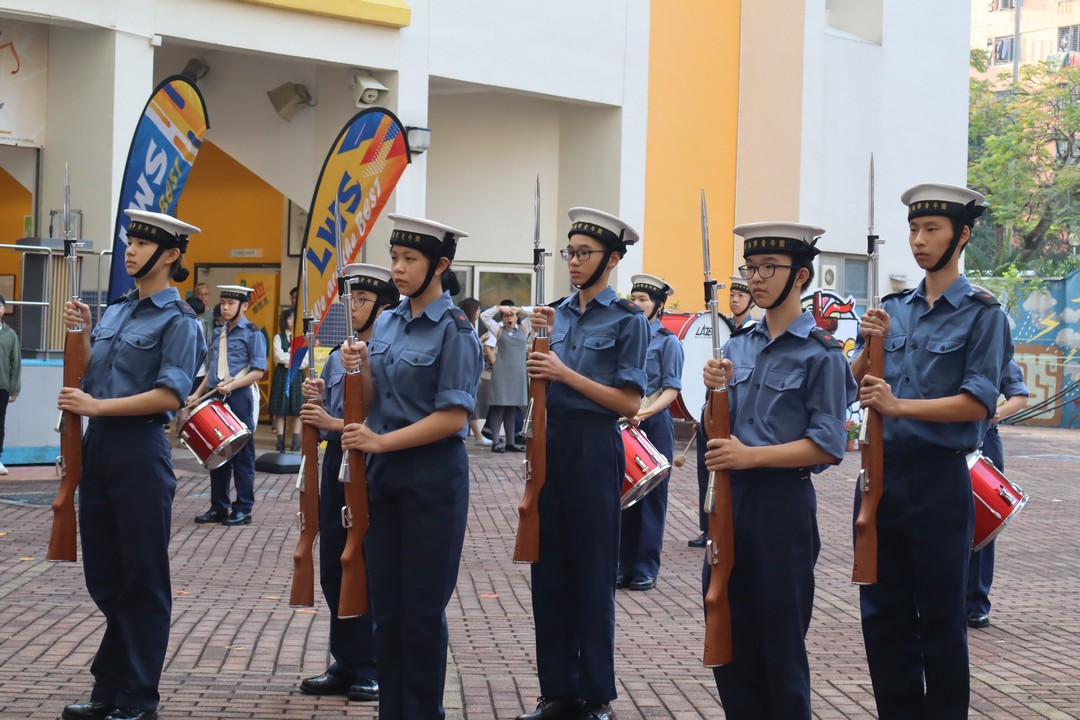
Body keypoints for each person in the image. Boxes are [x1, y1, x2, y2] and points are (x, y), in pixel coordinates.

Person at [851, 183, 1009, 719]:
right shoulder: (893, 309)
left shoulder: (984, 314)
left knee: (940, 618)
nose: (918, 240)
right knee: (882, 615)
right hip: (881, 476)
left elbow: (978, 402)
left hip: (939, 481)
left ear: (961, 236)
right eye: (914, 229)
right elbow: (851, 387)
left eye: (932, 229)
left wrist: (899, 406)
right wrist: (867, 347)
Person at [700, 222, 857, 719]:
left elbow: (827, 445)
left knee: (780, 644)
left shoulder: (821, 353)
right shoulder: (737, 347)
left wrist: (752, 457)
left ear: (801, 275)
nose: (756, 279)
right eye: (751, 268)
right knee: (727, 633)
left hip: (781, 507)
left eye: (769, 268)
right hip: (730, 502)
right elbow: (714, 431)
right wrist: (713, 394)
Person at [58, 209, 205, 720]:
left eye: (143, 244)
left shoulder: (179, 320)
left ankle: (136, 697)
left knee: (143, 578)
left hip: (140, 449)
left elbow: (169, 396)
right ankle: (113, 685)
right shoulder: (117, 311)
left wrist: (96, 408)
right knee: (105, 576)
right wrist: (83, 333)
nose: (131, 250)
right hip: (99, 447)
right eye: (130, 242)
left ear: (170, 255)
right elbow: (91, 375)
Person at [339, 214, 482, 720]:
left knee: (420, 614)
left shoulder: (456, 330)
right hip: (385, 475)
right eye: (394, 257)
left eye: (409, 259)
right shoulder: (389, 321)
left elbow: (453, 417)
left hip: (431, 477)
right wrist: (358, 367)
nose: (397, 268)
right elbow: (376, 398)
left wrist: (380, 442)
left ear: (439, 265)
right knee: (387, 612)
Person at [518, 207, 648, 720]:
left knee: (593, 575)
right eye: (569, 252)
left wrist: (564, 372)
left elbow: (629, 403)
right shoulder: (554, 314)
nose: (573, 261)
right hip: (550, 447)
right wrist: (536, 348)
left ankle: (595, 694)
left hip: (595, 449)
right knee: (548, 575)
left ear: (612, 259)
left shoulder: (628, 319)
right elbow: (537, 384)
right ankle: (557, 691)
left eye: (584, 253)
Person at [297, 262, 400, 704]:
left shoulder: (387, 354)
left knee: (366, 564)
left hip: (371, 459)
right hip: (337, 459)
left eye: (362, 300)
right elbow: (335, 414)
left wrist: (331, 421)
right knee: (334, 564)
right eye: (350, 299)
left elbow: (382, 419)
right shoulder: (340, 353)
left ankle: (372, 665)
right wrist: (317, 404)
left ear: (384, 306)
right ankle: (345, 659)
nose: (353, 307)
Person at [617, 274, 683, 592]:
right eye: (634, 298)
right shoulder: (626, 335)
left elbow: (671, 388)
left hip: (653, 423)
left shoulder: (669, 342)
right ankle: (623, 565)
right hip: (625, 421)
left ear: (658, 305)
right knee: (624, 494)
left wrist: (644, 412)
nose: (637, 304)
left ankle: (645, 567)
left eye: (644, 299)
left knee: (652, 497)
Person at [189, 285, 267, 527]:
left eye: (231, 304)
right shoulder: (219, 332)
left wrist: (232, 386)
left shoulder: (253, 333)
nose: (225, 307)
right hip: (215, 398)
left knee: (242, 454)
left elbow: (258, 371)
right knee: (217, 453)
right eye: (223, 303)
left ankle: (243, 508)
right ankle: (219, 507)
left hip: (239, 397)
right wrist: (197, 394)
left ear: (244, 306)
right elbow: (212, 368)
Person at [966, 356, 1028, 629]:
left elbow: (1019, 396)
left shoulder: (995, 348)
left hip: (983, 441)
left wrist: (997, 412)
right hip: (942, 442)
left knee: (983, 524)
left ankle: (976, 604)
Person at [688, 279, 745, 549]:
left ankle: (722, 523)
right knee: (705, 471)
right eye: (732, 295)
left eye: (740, 296)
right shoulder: (723, 328)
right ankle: (707, 526)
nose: (735, 300)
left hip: (733, 417)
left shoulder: (749, 334)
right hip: (712, 410)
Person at [480, 298, 532, 453]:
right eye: (506, 315)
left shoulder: (524, 327)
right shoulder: (498, 329)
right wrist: (498, 308)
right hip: (501, 373)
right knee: (499, 406)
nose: (509, 318)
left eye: (512, 315)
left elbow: (537, 311)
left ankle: (510, 442)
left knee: (511, 408)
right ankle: (496, 442)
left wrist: (520, 309)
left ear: (517, 317)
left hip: (518, 374)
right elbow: (484, 316)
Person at [268, 306, 307, 452]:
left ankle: (295, 442)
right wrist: (294, 357)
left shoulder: (303, 339)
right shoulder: (278, 337)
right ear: (285, 320)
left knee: (298, 410)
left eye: (294, 318)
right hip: (282, 375)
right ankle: (280, 441)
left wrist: (288, 357)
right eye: (289, 318)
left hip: (297, 375)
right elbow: (278, 357)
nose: (292, 321)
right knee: (280, 409)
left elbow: (305, 362)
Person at [460, 297, 493, 447]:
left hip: (470, 373)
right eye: (478, 309)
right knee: (468, 404)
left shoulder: (468, 326)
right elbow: (468, 348)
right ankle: (474, 436)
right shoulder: (465, 326)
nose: (479, 312)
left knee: (470, 405)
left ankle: (476, 436)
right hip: (466, 373)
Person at [0, 294, 20, 475]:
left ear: (3, 309)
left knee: (0, 423)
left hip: (2, 386)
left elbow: (16, 362)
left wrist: (14, 389)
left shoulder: (10, 335)